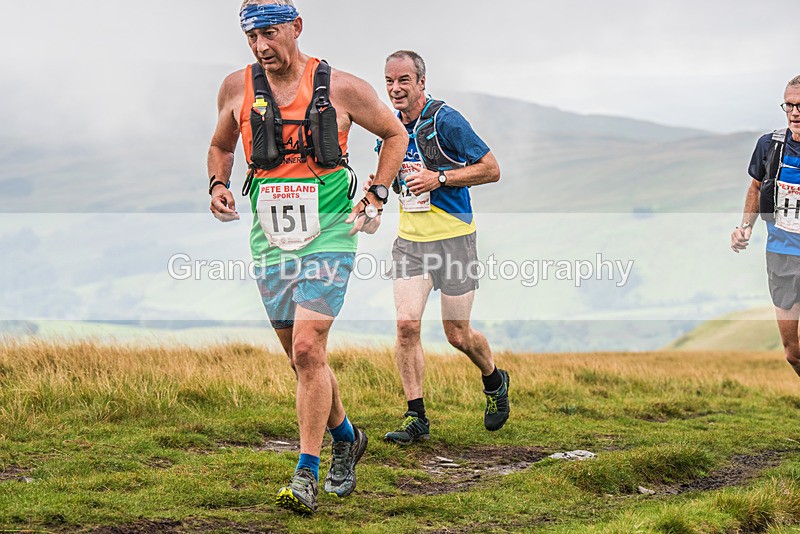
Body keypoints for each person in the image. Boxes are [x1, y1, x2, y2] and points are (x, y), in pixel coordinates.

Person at [207, 0, 406, 515]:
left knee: (307, 348)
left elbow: (394, 134)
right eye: (251, 37)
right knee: (303, 358)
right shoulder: (236, 88)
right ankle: (347, 436)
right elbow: (221, 147)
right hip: (268, 239)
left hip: (331, 235)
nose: (260, 47)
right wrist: (217, 184)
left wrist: (378, 193)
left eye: (270, 34)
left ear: (296, 27)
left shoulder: (340, 87)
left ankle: (305, 474)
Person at [376, 50, 510, 445]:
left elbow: (491, 169)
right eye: (389, 81)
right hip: (410, 243)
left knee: (457, 334)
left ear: (421, 82)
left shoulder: (445, 120)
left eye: (404, 80)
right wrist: (379, 187)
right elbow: (395, 180)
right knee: (406, 325)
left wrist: (442, 178)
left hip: (454, 239)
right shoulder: (389, 127)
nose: (395, 89)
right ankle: (416, 417)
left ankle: (494, 380)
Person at [731, 74, 800, 378]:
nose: (795, 112)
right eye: (789, 105)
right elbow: (757, 187)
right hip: (781, 255)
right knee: (793, 353)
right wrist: (745, 226)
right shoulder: (769, 146)